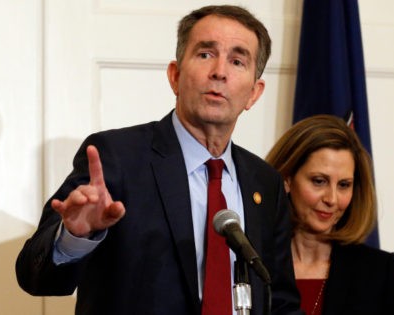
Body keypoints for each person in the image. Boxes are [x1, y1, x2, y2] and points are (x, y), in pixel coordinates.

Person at [16, 5, 303, 315]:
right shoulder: (117, 157)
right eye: (205, 54)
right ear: (175, 76)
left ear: (254, 93)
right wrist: (75, 236)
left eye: (237, 60)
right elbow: (36, 278)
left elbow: (280, 300)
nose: (220, 71)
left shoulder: (266, 182)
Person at [265, 114, 394, 315]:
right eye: (319, 181)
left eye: (344, 185)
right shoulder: (254, 264)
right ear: (287, 179)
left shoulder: (381, 272)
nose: (332, 199)